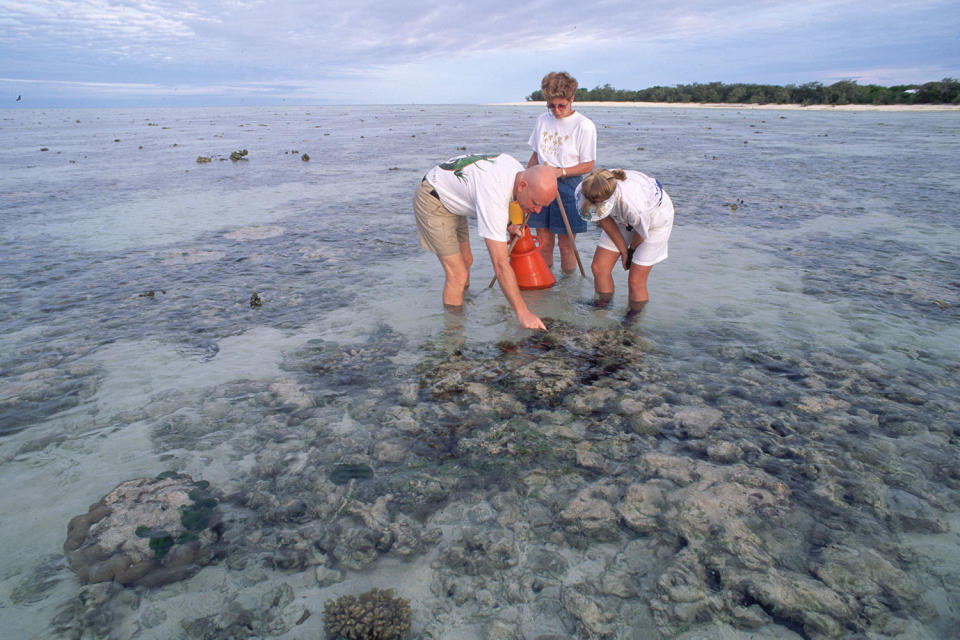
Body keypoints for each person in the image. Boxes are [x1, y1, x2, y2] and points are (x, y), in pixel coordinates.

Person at [414, 153, 558, 330]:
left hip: (451, 195)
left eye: (543, 205)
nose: (537, 211)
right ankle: (453, 337)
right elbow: (500, 265)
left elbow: (499, 200)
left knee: (467, 261)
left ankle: (461, 306)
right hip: (433, 199)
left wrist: (510, 224)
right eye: (535, 203)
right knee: (457, 274)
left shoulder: (517, 169)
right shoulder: (494, 194)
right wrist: (523, 313)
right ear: (522, 186)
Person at [526, 71, 597, 273]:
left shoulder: (584, 125)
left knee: (566, 246)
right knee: (543, 242)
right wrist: (522, 181)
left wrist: (560, 172)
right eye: (551, 105)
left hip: (569, 186)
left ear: (572, 99)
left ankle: (566, 293)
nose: (556, 111)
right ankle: (546, 286)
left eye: (561, 106)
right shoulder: (542, 120)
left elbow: (588, 165)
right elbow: (535, 155)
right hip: (539, 182)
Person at [576, 168, 675, 310]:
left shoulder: (634, 204)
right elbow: (603, 219)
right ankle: (602, 308)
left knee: (636, 280)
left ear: (609, 198)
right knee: (599, 268)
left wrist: (631, 252)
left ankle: (631, 322)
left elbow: (641, 231)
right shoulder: (585, 188)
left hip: (654, 220)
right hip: (622, 217)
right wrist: (623, 250)